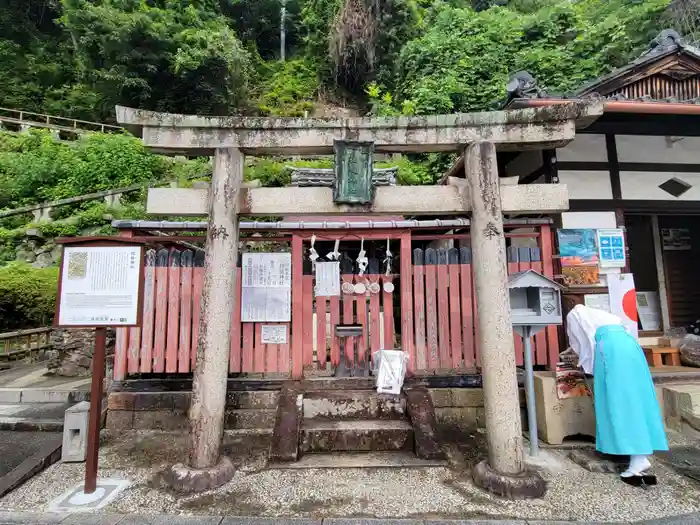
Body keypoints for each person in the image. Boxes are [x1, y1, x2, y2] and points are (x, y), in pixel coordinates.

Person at [566, 304, 668, 485]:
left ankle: (636, 458)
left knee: (617, 401)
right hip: (629, 346)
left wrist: (584, 363)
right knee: (636, 398)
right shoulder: (598, 314)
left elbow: (583, 342)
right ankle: (640, 453)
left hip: (609, 351)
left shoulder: (575, 314)